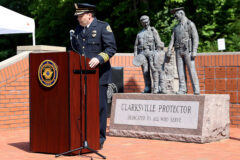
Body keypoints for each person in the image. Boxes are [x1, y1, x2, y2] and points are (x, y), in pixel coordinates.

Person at [72, 3, 117, 148]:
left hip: (99, 76)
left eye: (80, 16)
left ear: (89, 15)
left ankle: (99, 139)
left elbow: (111, 48)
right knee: (81, 107)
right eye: (77, 16)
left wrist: (99, 58)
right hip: (81, 76)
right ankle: (83, 137)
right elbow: (74, 50)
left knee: (99, 108)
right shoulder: (78, 30)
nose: (78, 18)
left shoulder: (103, 27)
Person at [166, 7, 200, 95]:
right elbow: (172, 40)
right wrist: (169, 49)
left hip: (187, 50)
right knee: (180, 71)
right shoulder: (176, 27)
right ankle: (182, 89)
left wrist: (194, 50)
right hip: (178, 51)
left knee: (191, 70)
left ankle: (196, 89)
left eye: (176, 15)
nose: (175, 17)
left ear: (181, 13)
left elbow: (195, 38)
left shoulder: (190, 24)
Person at [133, 15, 166, 94]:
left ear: (149, 21)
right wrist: (136, 55)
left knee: (154, 70)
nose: (146, 23)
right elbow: (136, 46)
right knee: (145, 71)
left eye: (147, 22)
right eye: (144, 22)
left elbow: (158, 42)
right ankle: (147, 87)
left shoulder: (153, 31)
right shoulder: (139, 34)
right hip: (142, 54)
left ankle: (156, 87)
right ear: (141, 23)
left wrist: (158, 52)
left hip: (152, 53)